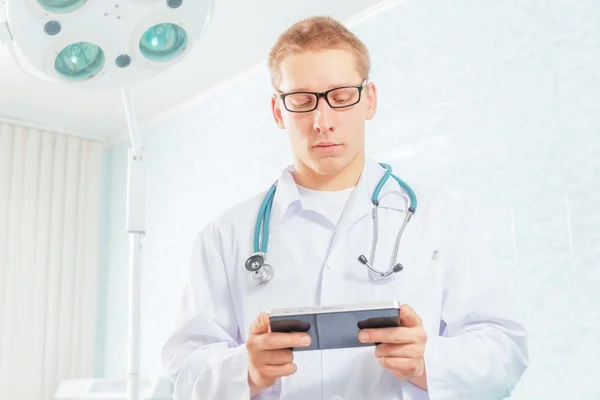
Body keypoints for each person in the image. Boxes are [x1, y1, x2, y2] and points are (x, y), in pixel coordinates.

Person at [161, 15, 529, 400]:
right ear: (277, 111)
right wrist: (245, 371)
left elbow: (506, 351)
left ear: (369, 99)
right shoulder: (225, 236)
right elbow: (184, 370)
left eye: (340, 97)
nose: (322, 122)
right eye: (302, 101)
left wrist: (428, 362)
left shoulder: (442, 218)